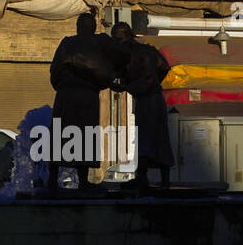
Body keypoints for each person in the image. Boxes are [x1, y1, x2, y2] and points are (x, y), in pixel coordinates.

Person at [47, 12, 125, 194]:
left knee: (59, 135)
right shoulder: (99, 42)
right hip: (86, 95)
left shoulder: (67, 43)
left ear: (77, 27)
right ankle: (83, 180)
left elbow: (54, 70)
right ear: (93, 27)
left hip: (65, 95)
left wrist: (62, 85)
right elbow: (122, 54)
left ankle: (52, 179)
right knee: (85, 135)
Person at [112, 22, 174, 195]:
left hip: (150, 99)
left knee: (149, 138)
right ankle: (152, 177)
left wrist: (126, 87)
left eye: (116, 39)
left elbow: (147, 79)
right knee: (155, 138)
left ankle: (144, 177)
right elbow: (164, 67)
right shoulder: (146, 50)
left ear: (123, 37)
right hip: (152, 98)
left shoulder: (134, 53)